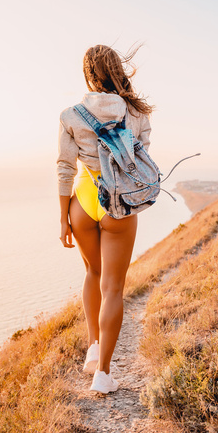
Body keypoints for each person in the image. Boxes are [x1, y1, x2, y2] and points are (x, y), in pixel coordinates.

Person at [57, 44, 154, 394]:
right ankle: (103, 374)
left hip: (82, 201)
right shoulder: (138, 113)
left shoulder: (71, 114)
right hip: (119, 203)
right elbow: (139, 160)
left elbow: (65, 167)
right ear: (117, 69)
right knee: (113, 287)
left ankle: (93, 346)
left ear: (88, 74)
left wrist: (63, 219)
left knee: (92, 274)